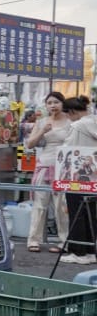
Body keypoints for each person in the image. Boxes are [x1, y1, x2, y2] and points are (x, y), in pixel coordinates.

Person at [24, 91, 71, 253]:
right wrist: (42, 130)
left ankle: (64, 241)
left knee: (62, 207)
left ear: (62, 104)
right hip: (44, 167)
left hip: (64, 169)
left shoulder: (71, 121)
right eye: (50, 103)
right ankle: (33, 240)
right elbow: (29, 144)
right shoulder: (42, 122)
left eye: (56, 102)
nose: (53, 106)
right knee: (39, 205)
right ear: (46, 105)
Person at [59, 96, 97, 264]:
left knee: (76, 213)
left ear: (73, 112)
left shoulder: (78, 126)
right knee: (92, 214)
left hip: (76, 176)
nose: (68, 118)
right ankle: (91, 251)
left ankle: (78, 252)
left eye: (68, 115)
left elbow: (68, 150)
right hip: (94, 176)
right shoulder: (94, 121)